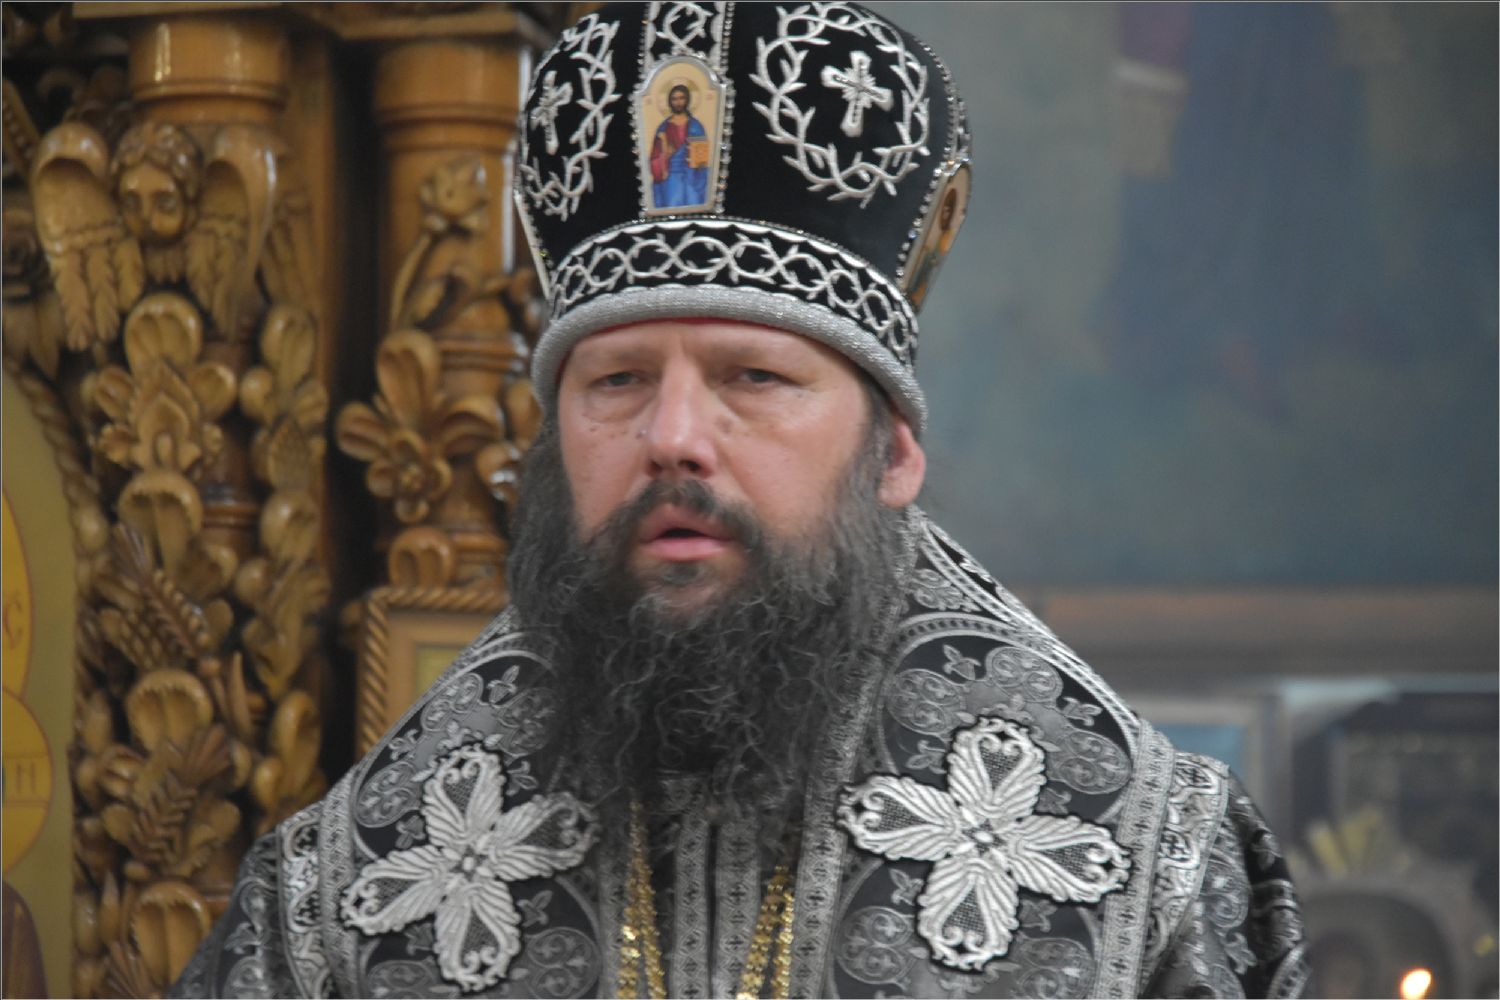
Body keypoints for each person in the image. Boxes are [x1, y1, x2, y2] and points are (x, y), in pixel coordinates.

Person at [171, 4, 1307, 997]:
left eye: (753, 377)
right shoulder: (346, 889)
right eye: (618, 381)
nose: (673, 437)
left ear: (894, 452)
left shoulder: (1145, 863)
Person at [649, 84, 708, 208]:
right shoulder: (664, 128)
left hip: (692, 178)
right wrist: (664, 153)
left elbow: (701, 160)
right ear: (670, 102)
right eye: (674, 99)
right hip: (671, 179)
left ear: (687, 100)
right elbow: (655, 158)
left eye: (681, 98)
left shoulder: (696, 126)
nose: (678, 102)